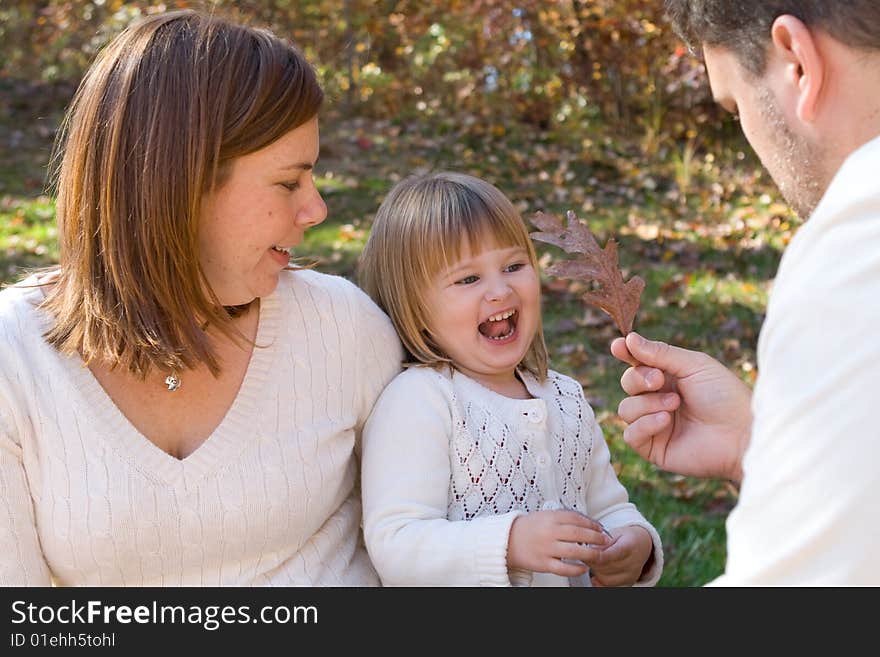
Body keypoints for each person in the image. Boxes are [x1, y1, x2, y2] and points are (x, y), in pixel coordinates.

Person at [0, 9, 403, 586]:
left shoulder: (345, 330)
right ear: (180, 184)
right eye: (289, 182)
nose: (316, 210)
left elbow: (443, 535)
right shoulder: (14, 357)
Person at [611, 1, 880, 585]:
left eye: (736, 106)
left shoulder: (859, 244)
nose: (750, 140)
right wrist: (760, 445)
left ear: (797, 62)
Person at [357, 172, 663, 586]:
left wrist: (634, 542)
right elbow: (397, 545)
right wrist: (509, 542)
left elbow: (607, 505)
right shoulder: (421, 401)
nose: (500, 291)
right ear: (414, 307)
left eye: (514, 266)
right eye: (468, 279)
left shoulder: (565, 398)